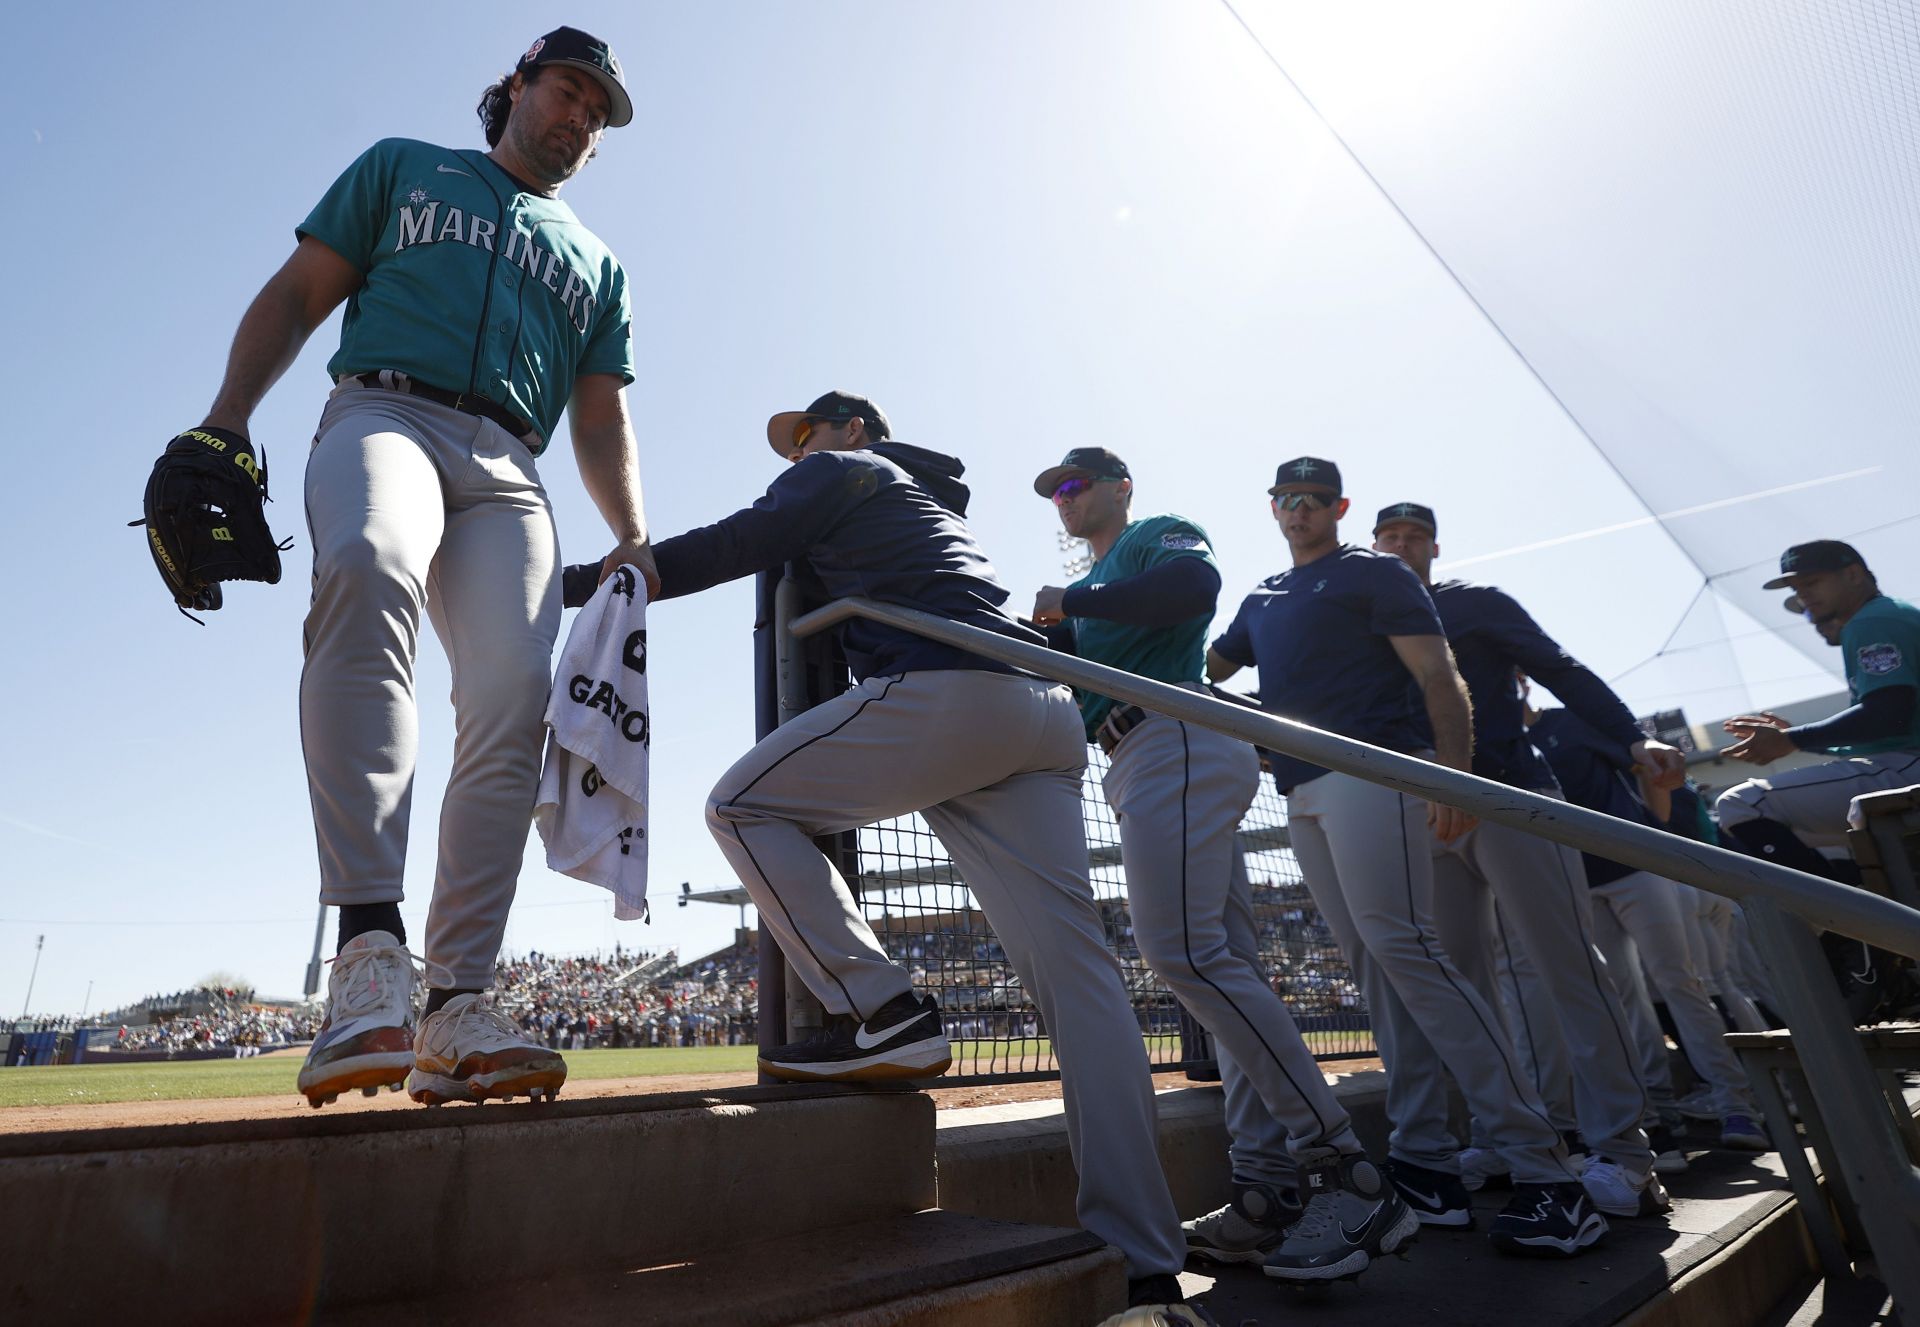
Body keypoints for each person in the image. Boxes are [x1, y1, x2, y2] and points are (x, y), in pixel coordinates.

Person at [646, 392, 1196, 1317]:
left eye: (807, 434)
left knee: (739, 806)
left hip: (951, 689)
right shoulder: (933, 498)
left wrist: (611, 577)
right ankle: (1142, 1254)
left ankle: (885, 1009)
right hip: (1042, 709)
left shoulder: (851, 467)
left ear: (853, 429)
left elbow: (744, 538)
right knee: (1081, 979)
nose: (797, 454)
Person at [191, 27, 656, 1108]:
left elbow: (600, 414)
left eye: (598, 113)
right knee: (365, 559)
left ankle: (457, 1001)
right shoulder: (405, 165)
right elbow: (303, 292)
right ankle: (366, 950)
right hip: (384, 409)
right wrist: (224, 421)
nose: (580, 119)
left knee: (510, 699)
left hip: (510, 462)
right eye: (569, 91)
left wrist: (630, 532)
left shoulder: (597, 260)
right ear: (517, 86)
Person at [1030, 449, 1416, 1284]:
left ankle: (1345, 1169)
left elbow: (1194, 591)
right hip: (1146, 750)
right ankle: (1270, 1187)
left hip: (1173, 736)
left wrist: (1073, 600)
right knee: (1222, 963)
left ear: (1117, 487)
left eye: (1075, 483)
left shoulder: (1153, 537)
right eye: (1054, 490)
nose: (1063, 498)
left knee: (1185, 954)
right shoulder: (1097, 588)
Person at [1207, 459, 1605, 1258]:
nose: (1300, 509)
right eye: (1287, 497)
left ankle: (1546, 1171)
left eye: (1315, 498)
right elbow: (1207, 669)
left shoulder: (1374, 569)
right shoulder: (1262, 596)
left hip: (1377, 769)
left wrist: (1450, 775)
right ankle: (1426, 1162)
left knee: (1407, 948)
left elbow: (1439, 673)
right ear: (1271, 506)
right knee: (1375, 964)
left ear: (1339, 506)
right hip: (1301, 786)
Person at [1371, 502, 1680, 1216]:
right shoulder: (1366, 619)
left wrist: (1631, 737)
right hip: (1425, 806)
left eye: (1414, 535)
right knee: (1464, 983)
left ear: (1435, 547)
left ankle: (1628, 1153)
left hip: (1511, 790)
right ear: (1374, 546)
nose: (1402, 544)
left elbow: (1558, 667)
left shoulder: (1473, 601)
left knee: (1567, 962)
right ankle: (1510, 1137)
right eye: (1390, 536)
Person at [1525, 699, 1771, 1151]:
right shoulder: (1502, 739)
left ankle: (1737, 1105)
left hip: (1635, 867)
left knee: (1682, 983)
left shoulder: (1572, 718)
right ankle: (1657, 1113)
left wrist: (1653, 832)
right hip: (1577, 879)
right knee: (1620, 997)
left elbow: (1649, 777)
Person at [1716, 541, 1920, 868]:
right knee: (1806, 834)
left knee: (1743, 804)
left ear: (1853, 574)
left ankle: (1843, 911)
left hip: (1912, 764)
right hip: (1908, 761)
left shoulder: (1871, 621)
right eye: (1797, 588)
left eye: (1811, 583)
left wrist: (1792, 739)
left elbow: (1888, 715)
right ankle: (1862, 898)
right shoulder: (1884, 615)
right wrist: (1799, 739)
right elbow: (1891, 726)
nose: (1803, 596)